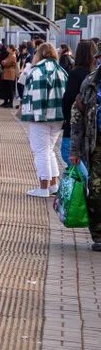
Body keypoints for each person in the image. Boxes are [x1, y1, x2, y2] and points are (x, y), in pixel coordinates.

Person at [19, 42, 69, 197]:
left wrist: (31, 116)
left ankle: (43, 188)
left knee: (40, 151)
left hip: (40, 117)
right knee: (49, 150)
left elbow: (34, 96)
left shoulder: (37, 71)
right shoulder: (62, 71)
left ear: (38, 54)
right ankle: (54, 185)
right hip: (58, 117)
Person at [69, 53, 101, 250]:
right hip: (96, 145)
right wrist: (74, 149)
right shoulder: (90, 82)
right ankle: (99, 235)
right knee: (96, 191)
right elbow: (77, 115)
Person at [62, 41, 97, 161]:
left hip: (76, 121)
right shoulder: (95, 74)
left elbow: (68, 98)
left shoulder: (75, 73)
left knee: (68, 154)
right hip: (93, 124)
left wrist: (66, 117)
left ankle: (83, 179)